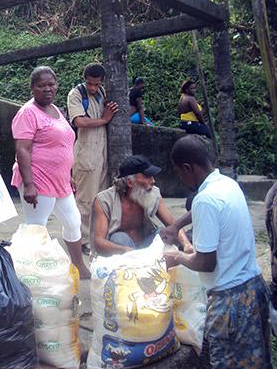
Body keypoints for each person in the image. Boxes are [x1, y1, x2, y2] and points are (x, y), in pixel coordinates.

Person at [162, 136, 272, 369]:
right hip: (254, 288)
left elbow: (205, 262)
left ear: (188, 168)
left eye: (180, 174)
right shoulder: (226, 183)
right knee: (258, 363)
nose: (181, 180)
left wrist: (178, 258)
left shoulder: (205, 200)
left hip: (230, 302)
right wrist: (176, 225)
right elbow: (209, 207)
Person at [12, 66, 91, 279]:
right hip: (37, 179)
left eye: (51, 84)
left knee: (73, 222)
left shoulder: (57, 110)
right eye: (41, 85)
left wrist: (69, 175)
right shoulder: (27, 113)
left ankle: (79, 267)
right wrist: (28, 184)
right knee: (37, 228)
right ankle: (31, 274)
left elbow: (64, 146)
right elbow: (22, 149)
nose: (47, 89)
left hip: (61, 181)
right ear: (32, 88)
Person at [92, 155, 192, 256]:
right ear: (130, 182)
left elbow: (172, 224)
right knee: (119, 237)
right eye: (147, 176)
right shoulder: (105, 200)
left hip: (146, 247)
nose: (153, 181)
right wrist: (125, 250)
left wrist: (186, 244)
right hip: (122, 254)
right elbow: (99, 241)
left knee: (165, 234)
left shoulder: (153, 193)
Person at [67, 63, 118, 255]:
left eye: (97, 84)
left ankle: (97, 237)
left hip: (103, 154)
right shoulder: (76, 94)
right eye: (90, 83)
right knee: (85, 201)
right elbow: (79, 121)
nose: (93, 88)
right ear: (84, 78)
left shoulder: (103, 92)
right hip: (86, 155)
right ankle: (83, 241)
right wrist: (104, 119)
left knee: (101, 198)